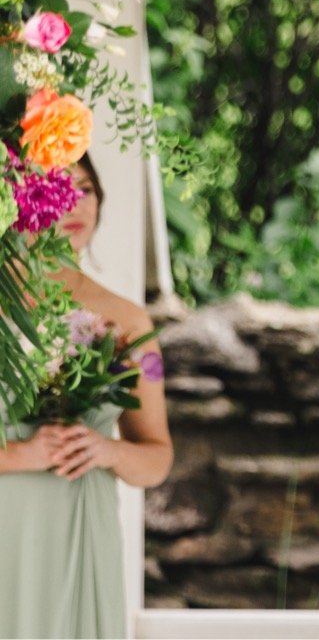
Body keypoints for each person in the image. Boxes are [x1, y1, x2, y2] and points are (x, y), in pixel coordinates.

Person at [0, 152, 173, 639]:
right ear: (19, 201)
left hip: (79, 537)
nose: (75, 202)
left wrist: (108, 449)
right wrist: (22, 455)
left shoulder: (128, 322)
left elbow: (157, 459)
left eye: (87, 187)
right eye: (55, 187)